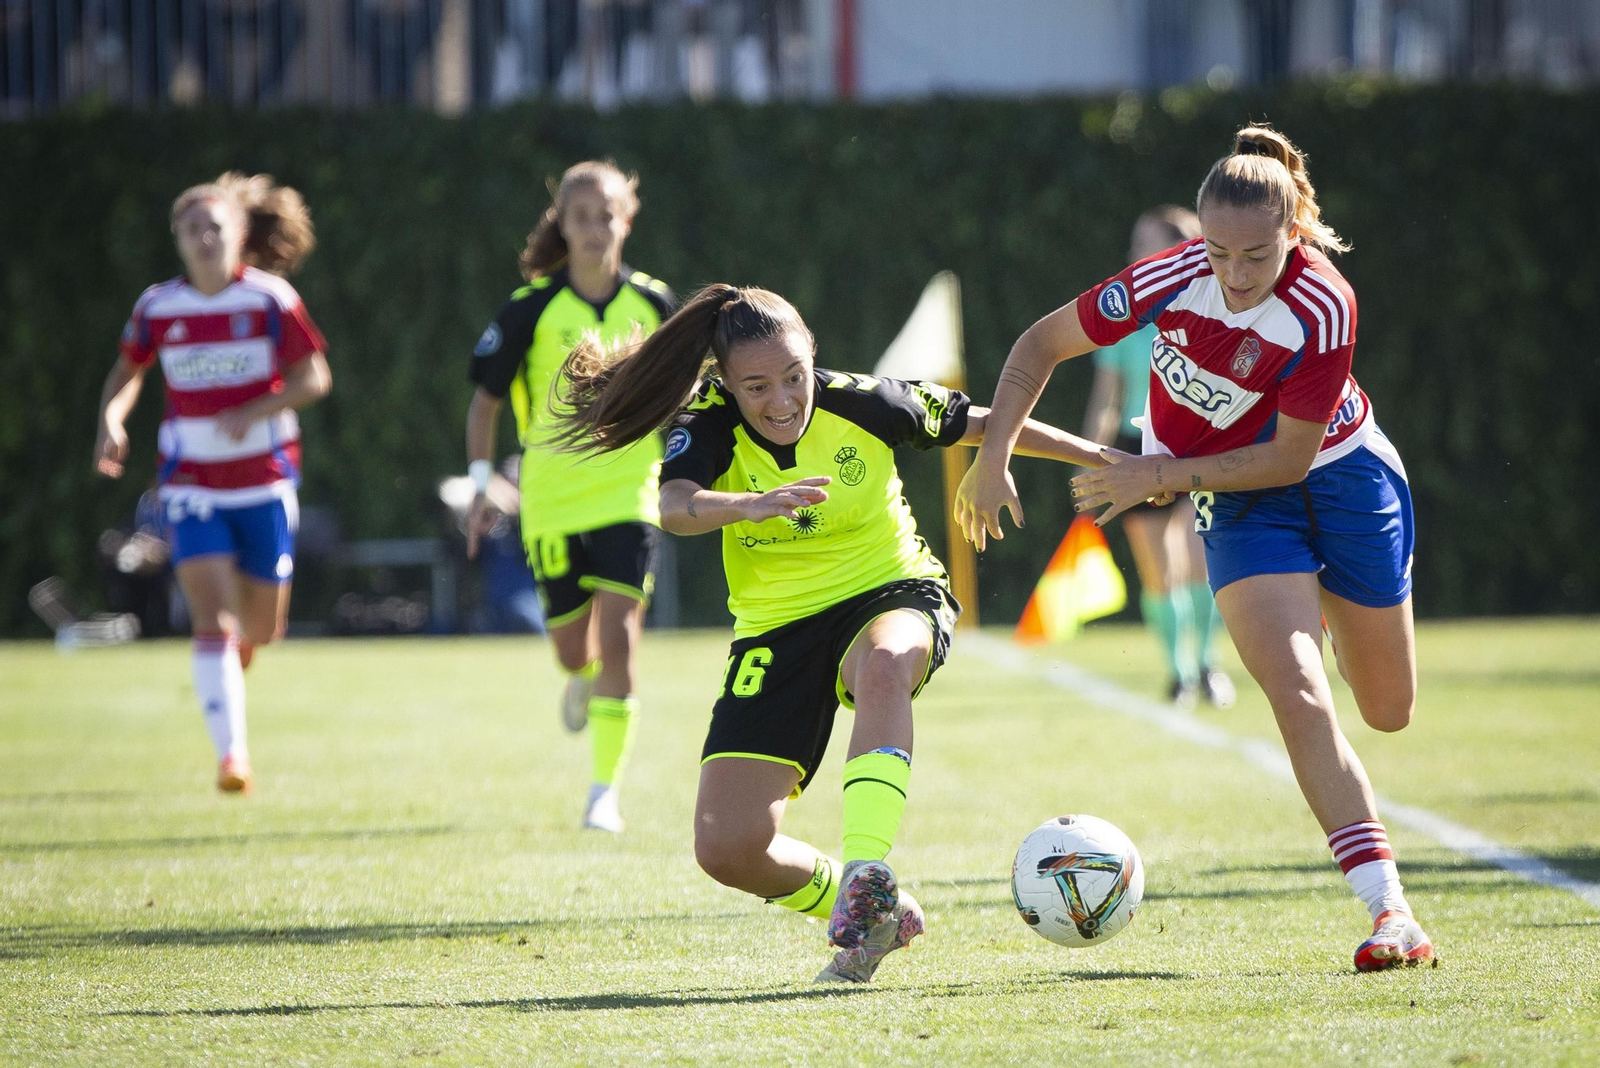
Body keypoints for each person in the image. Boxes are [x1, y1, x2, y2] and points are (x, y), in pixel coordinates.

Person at [957, 124, 1434, 973]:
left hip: (1342, 477)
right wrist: (993, 460)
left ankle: (1330, 608)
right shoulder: (1171, 275)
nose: (1235, 275)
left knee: (1388, 708)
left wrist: (1161, 474)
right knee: (1297, 690)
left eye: (1256, 255)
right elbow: (1040, 345)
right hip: (1243, 506)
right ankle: (1390, 910)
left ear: (1293, 233)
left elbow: (1290, 458)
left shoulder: (1324, 303)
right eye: (1218, 253)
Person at [556, 284, 1107, 983]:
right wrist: (749, 505)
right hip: (775, 628)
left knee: (885, 663)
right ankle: (878, 911)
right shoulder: (709, 419)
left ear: (811, 354)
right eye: (757, 387)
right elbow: (674, 504)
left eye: (794, 376)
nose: (782, 401)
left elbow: (989, 422)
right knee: (727, 848)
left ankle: (868, 867)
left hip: (891, 588)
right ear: (727, 381)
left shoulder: (865, 401)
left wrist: (1105, 458)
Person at [94, 172, 331, 795]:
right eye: (191, 228)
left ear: (240, 233)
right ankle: (233, 757)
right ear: (176, 238)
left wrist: (255, 410)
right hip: (191, 484)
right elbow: (127, 370)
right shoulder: (157, 306)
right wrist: (111, 420)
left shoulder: (270, 299)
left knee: (262, 630)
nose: (204, 238)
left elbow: (314, 378)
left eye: (215, 227)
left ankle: (240, 654)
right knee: (212, 622)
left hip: (265, 482)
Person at [464, 159, 675, 834]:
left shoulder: (655, 304)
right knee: (571, 650)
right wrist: (481, 485)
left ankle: (602, 794)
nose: (593, 228)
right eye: (579, 217)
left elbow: (688, 394)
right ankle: (579, 676)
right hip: (551, 501)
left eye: (605, 215)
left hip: (629, 494)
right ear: (562, 223)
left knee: (620, 641)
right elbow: (485, 402)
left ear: (627, 220)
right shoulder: (530, 307)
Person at [1082, 205, 1234, 708]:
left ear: (1176, 250)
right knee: (1157, 571)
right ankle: (1179, 674)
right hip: (1135, 450)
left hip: (1194, 446)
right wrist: (1090, 455)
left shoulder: (1208, 308)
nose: (1133, 254)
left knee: (1198, 560)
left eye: (1144, 244)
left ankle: (1208, 665)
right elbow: (1107, 398)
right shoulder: (1124, 318)